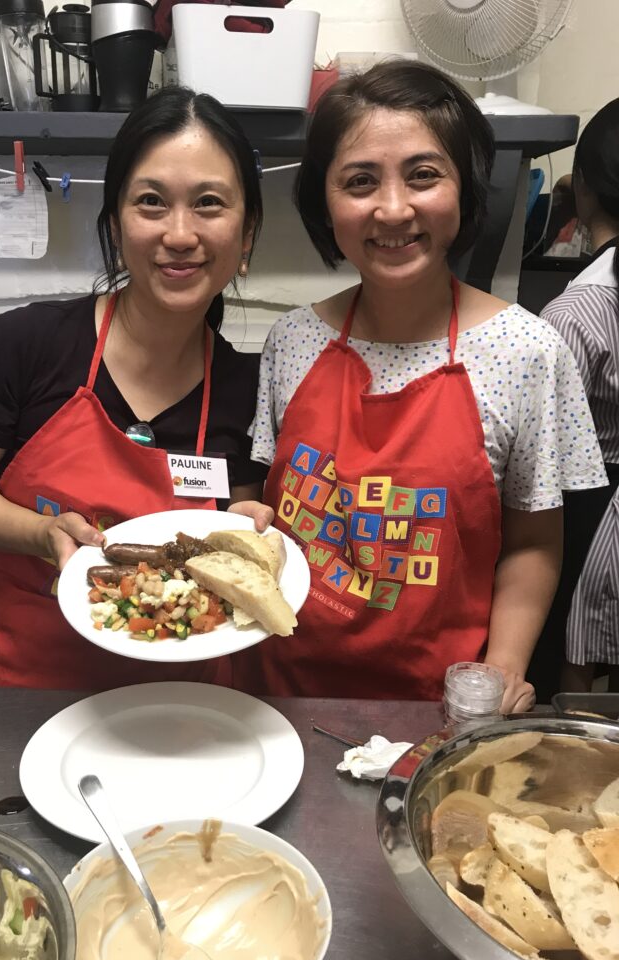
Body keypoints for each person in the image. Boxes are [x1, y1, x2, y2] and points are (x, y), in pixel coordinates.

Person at [232, 60, 606, 712]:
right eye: (359, 181)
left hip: (433, 706)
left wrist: (503, 668)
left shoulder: (529, 351)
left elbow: (534, 542)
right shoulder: (292, 341)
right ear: (324, 202)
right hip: (278, 693)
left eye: (424, 175)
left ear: (467, 188)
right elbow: (268, 506)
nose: (394, 208)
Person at [0, 86, 267, 690]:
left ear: (247, 232)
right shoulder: (28, 343)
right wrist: (37, 532)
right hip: (23, 693)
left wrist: (250, 528)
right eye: (151, 202)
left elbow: (233, 524)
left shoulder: (246, 387)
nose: (179, 234)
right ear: (116, 222)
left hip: (184, 697)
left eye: (209, 203)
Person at [534, 98, 619, 693]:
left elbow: (554, 460)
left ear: (581, 187)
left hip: (590, 508)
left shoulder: (578, 310)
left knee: (566, 666)